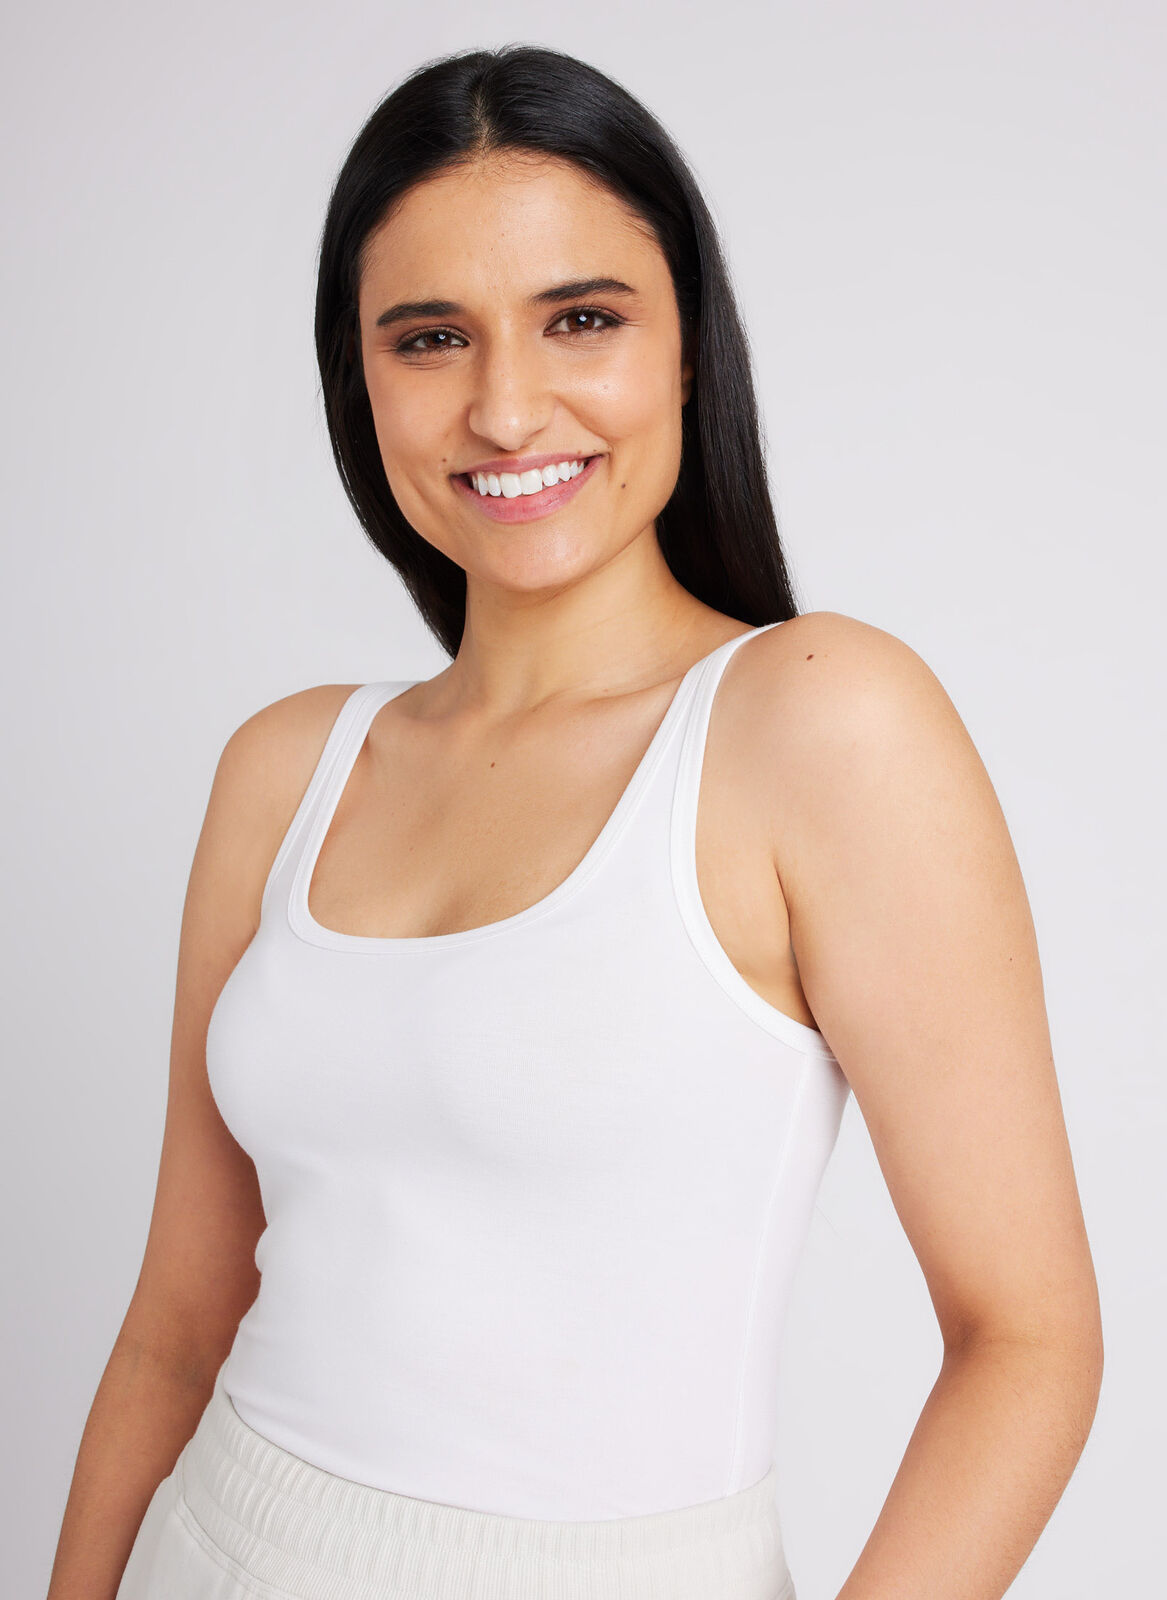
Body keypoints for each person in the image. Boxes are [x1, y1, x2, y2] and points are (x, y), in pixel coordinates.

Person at [48, 43, 1102, 1600]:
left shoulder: (818, 725)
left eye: (582, 320)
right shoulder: (286, 767)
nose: (504, 405)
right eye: (430, 339)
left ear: (688, 351)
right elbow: (175, 1332)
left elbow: (1030, 1343)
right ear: (359, 382)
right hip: (207, 1549)